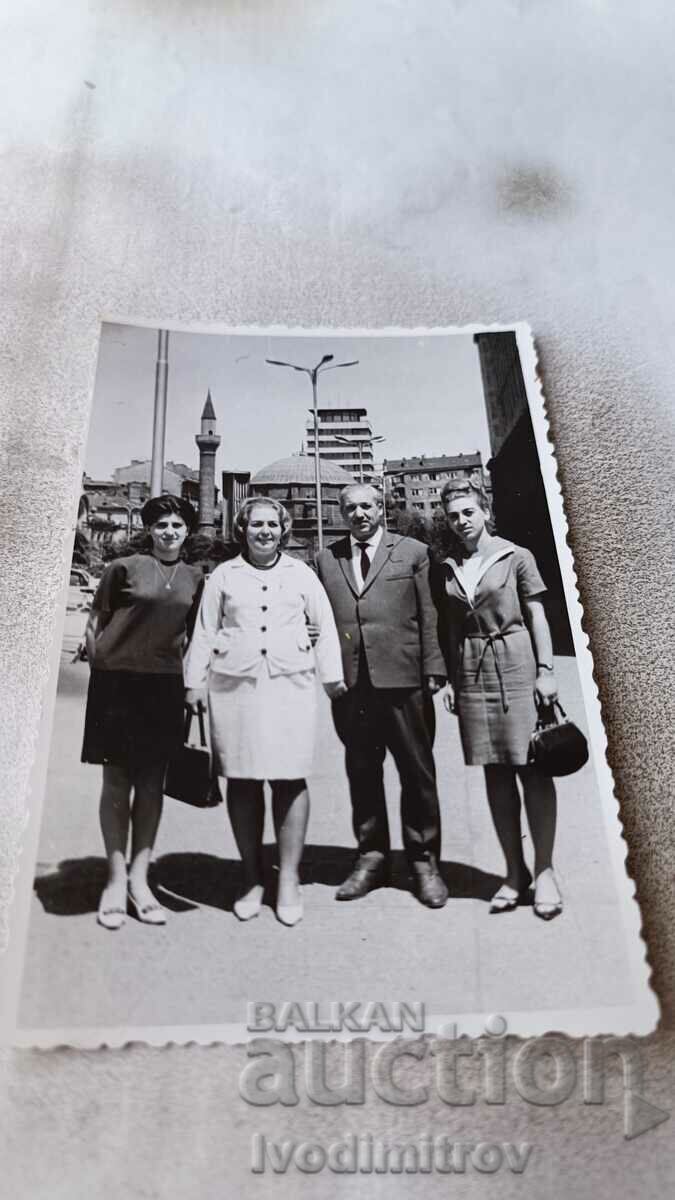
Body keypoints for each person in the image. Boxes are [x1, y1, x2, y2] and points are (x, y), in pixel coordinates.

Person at [184, 496, 346, 927]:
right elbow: (204, 629)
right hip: (234, 685)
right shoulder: (224, 575)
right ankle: (252, 876)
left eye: (272, 525)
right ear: (243, 529)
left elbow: (324, 625)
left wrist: (332, 677)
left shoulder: (301, 574)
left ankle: (288, 879)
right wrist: (193, 683)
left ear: (283, 530)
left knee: (290, 778)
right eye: (256, 524)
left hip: (289, 685)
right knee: (242, 779)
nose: (265, 532)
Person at [316, 483, 448, 908]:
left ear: (381, 508)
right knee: (362, 771)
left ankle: (424, 862)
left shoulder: (412, 552)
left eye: (367, 506)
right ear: (341, 513)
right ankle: (371, 857)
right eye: (350, 508)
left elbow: (430, 614)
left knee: (417, 773)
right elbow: (314, 619)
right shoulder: (325, 558)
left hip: (405, 679)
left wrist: (434, 668)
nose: (359, 514)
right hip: (352, 686)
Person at [437, 477, 563, 920]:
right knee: (494, 771)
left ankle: (545, 871)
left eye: (468, 512)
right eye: (453, 516)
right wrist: (452, 680)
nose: (461, 521)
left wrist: (546, 671)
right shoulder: (448, 563)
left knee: (531, 766)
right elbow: (451, 627)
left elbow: (537, 614)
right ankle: (515, 872)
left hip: (515, 660)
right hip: (472, 670)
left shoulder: (515, 556)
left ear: (485, 511)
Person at [82, 494, 204, 930]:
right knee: (116, 780)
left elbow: (195, 637)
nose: (169, 531)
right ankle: (114, 882)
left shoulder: (195, 578)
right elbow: (96, 623)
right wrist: (105, 666)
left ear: (187, 531)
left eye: (176, 525)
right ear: (149, 530)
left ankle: (140, 881)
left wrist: (194, 685)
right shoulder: (123, 569)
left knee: (152, 783)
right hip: (116, 685)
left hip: (164, 687)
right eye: (161, 525)